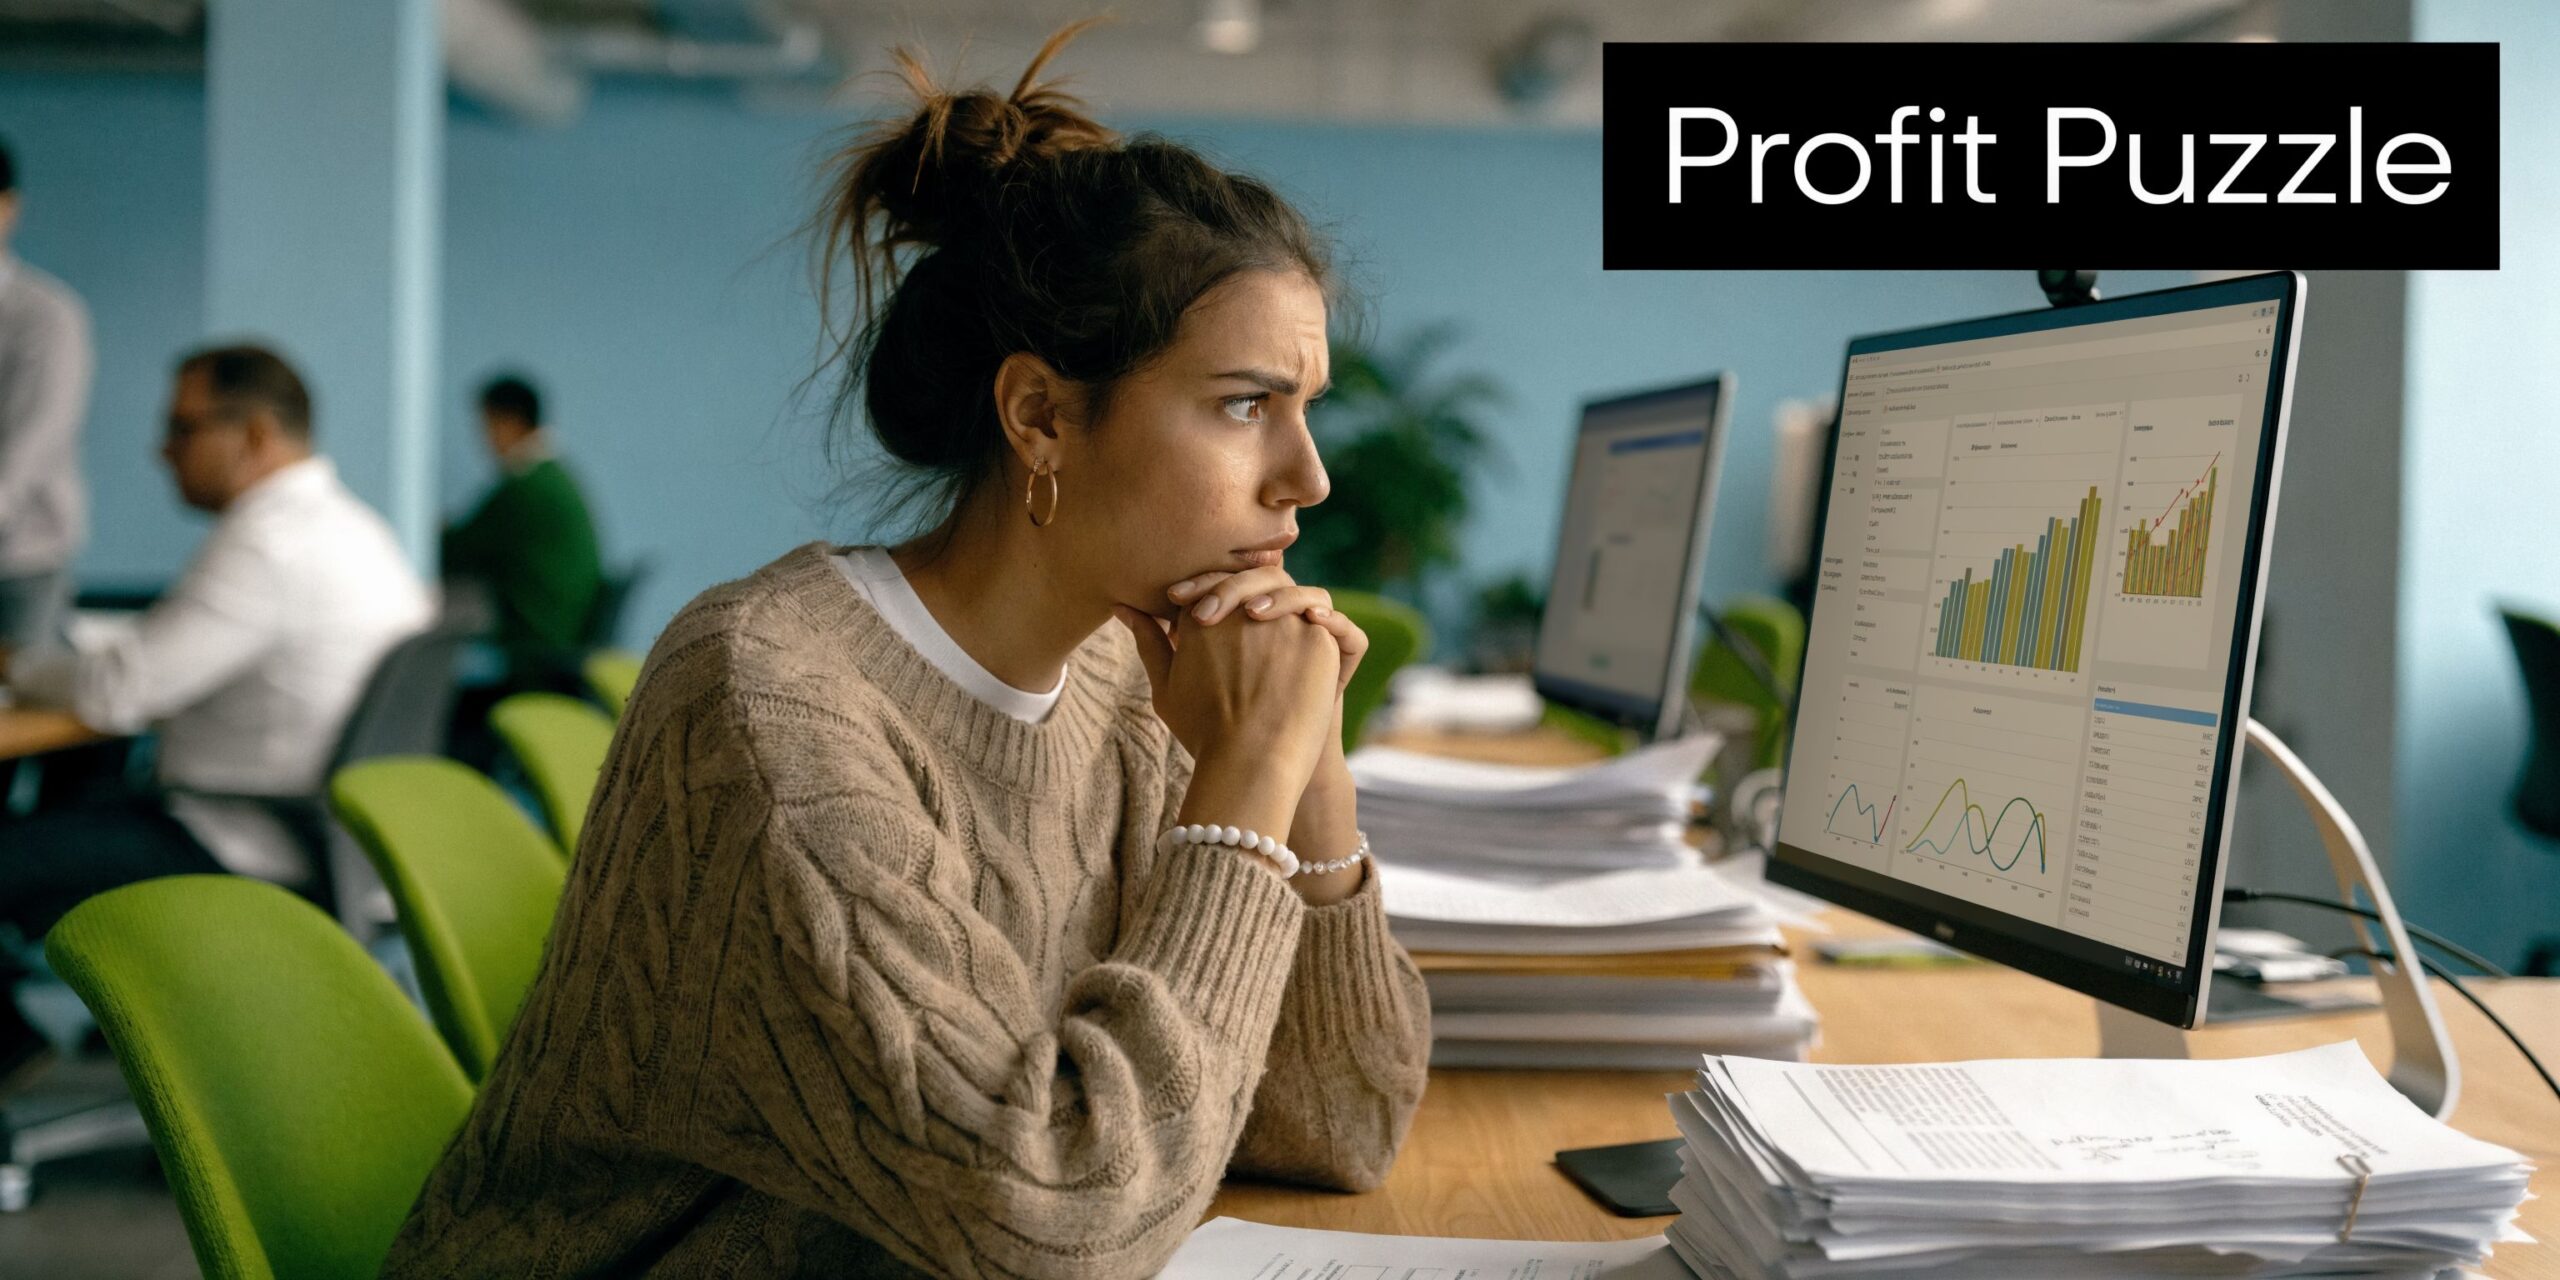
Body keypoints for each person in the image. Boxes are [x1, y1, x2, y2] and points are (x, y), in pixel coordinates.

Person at [386, 24, 1431, 1279]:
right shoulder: (774, 703)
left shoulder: (1117, 675)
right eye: (1244, 404)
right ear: (1040, 413)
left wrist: (1308, 782)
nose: (1305, 476)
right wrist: (1245, 784)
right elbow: (1045, 1219)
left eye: (1304, 411)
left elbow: (1335, 1127)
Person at [0, 344, 433, 1082]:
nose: (161, 450)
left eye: (183, 428)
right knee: (71, 802)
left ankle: (11, 1043)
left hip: (240, 838)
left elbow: (119, 693)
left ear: (255, 435)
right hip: (327, 838)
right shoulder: (355, 529)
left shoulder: (268, 543)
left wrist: (18, 665)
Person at [439, 371, 604, 678]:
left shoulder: (526, 486)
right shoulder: (552, 477)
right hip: (563, 624)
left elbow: (457, 550)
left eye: (486, 426)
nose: (484, 439)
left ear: (508, 421)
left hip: (539, 631)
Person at [0, 136, 95, 652]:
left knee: (23, 720)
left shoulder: (47, 316)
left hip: (19, 566)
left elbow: (31, 450)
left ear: (7, 207)